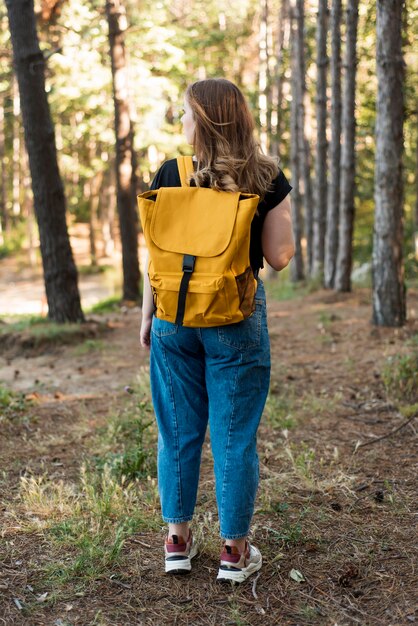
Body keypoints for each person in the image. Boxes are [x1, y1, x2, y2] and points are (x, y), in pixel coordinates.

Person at [140, 78, 294, 583]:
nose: (180, 122)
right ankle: (233, 552)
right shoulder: (265, 176)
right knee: (234, 436)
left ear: (203, 122)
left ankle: (177, 541)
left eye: (185, 114)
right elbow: (279, 256)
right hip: (235, 319)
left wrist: (149, 316)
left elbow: (156, 257)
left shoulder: (169, 172)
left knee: (177, 432)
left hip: (173, 319)